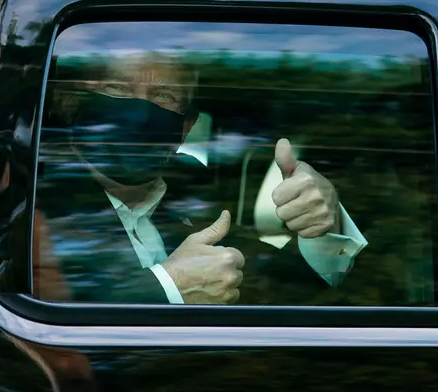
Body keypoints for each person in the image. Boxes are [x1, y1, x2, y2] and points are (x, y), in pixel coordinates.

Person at [33, 53, 368, 305]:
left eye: (163, 96)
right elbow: (31, 313)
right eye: (118, 88)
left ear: (186, 127)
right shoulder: (30, 195)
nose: (138, 111)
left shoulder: (202, 191)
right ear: (70, 103)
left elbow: (288, 295)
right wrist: (167, 289)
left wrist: (322, 227)